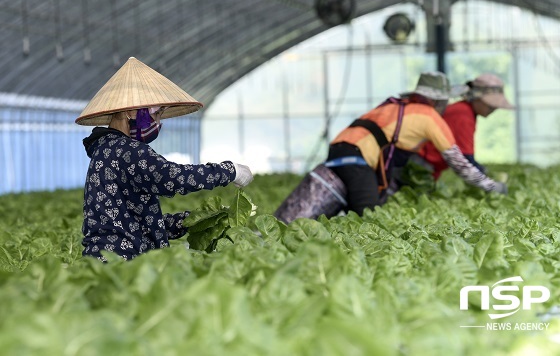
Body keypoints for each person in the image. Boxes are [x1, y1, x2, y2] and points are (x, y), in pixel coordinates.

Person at [75, 57, 253, 261]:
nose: (157, 122)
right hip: (122, 262)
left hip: (104, 260)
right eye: (155, 114)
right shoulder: (128, 151)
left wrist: (195, 219)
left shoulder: (106, 149)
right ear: (131, 112)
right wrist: (229, 171)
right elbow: (172, 177)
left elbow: (138, 222)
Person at [274, 71, 507, 223]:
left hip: (340, 149)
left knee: (348, 200)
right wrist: (491, 186)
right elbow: (460, 164)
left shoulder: (398, 105)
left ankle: (293, 228)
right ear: (438, 101)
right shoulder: (431, 118)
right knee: (369, 216)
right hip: (357, 158)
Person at [418, 73, 514, 180]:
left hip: (426, 165)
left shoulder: (465, 111)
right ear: (477, 98)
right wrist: (488, 180)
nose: (493, 109)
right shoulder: (463, 114)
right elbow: (466, 158)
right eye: (490, 105)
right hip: (420, 163)